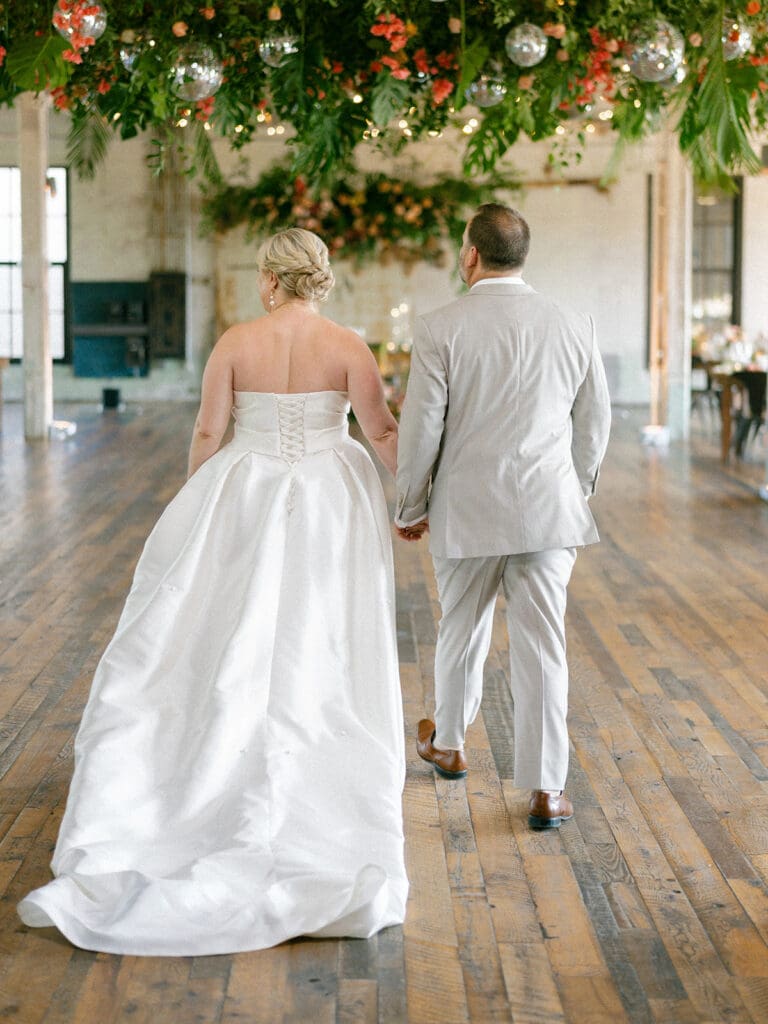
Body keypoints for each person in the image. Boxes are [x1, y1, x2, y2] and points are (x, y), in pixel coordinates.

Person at [18, 228, 408, 954]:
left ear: (270, 279)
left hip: (246, 486)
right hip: (330, 492)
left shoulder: (235, 341)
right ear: (319, 280)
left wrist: (195, 504)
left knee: (235, 618)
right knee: (320, 620)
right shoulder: (349, 345)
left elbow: (208, 431)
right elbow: (381, 430)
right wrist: (411, 498)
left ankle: (219, 751)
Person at [395, 203, 611, 829]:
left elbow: (421, 430)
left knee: (461, 628)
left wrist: (410, 505)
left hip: (466, 509)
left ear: (470, 255)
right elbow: (594, 423)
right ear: (523, 256)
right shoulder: (575, 323)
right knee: (544, 645)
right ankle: (548, 788)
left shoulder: (440, 328)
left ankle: (451, 744)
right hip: (549, 509)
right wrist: (576, 490)